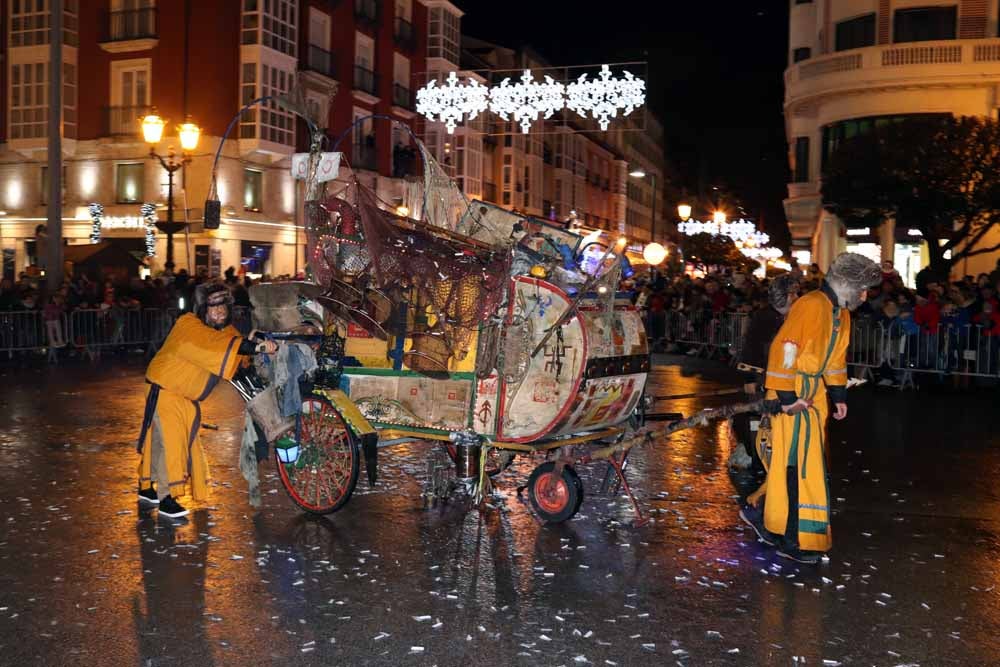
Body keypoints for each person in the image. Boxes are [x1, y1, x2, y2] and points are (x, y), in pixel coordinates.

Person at [744, 253, 881, 564]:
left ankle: (775, 524)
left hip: (812, 395)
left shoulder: (841, 313)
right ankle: (792, 538)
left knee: (802, 465)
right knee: (798, 466)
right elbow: (785, 350)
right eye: (861, 288)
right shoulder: (811, 305)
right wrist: (788, 398)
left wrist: (838, 396)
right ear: (846, 284)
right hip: (794, 395)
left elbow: (835, 359)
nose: (864, 295)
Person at [135, 283, 277, 518]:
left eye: (223, 306)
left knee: (158, 443)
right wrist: (255, 346)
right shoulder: (189, 325)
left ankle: (146, 487)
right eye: (214, 308)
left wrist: (254, 343)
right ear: (202, 309)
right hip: (166, 392)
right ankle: (166, 498)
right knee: (174, 444)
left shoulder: (225, 331)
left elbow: (236, 352)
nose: (220, 311)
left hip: (178, 395)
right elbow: (217, 345)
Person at [732, 274, 799, 471]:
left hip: (786, 377)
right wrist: (750, 377)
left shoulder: (795, 316)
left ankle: (782, 455)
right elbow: (751, 348)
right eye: (793, 293)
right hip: (764, 376)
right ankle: (756, 454)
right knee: (757, 416)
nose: (796, 297)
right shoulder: (764, 318)